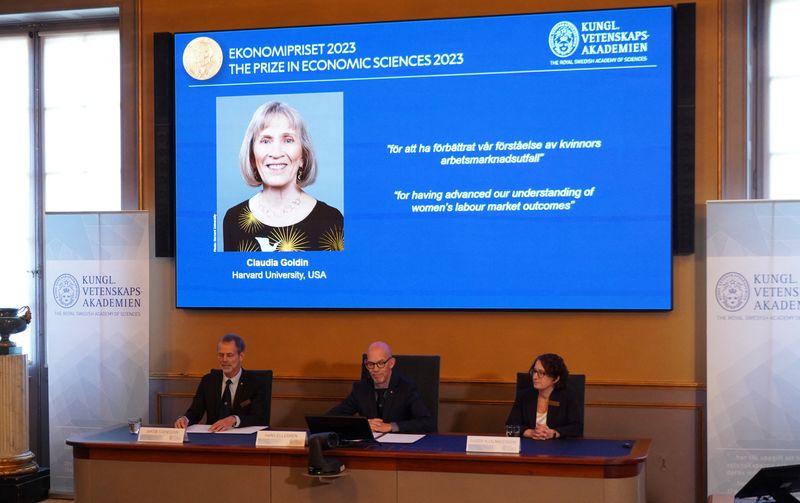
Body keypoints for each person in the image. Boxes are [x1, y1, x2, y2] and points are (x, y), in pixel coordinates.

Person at [223, 101, 344, 252]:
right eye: (266, 140)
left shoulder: (331, 220)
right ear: (252, 157)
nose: (276, 153)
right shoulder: (233, 219)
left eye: (288, 140)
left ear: (303, 157)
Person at [326, 341, 435, 433]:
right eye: (371, 364)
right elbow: (331, 418)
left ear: (391, 363)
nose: (375, 369)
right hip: (369, 449)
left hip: (400, 450)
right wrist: (362, 425)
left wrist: (391, 426)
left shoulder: (406, 387)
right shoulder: (361, 389)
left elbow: (427, 423)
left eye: (381, 363)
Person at [174, 334, 268, 432]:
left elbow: (259, 418)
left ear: (241, 356)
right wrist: (185, 419)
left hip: (242, 441)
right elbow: (195, 412)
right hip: (212, 437)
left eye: (230, 355)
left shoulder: (255, 383)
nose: (224, 360)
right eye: (221, 355)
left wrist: (234, 419)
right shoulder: (208, 381)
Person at [505, 353, 583, 440]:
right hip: (528, 447)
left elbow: (577, 427)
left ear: (555, 378)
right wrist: (531, 433)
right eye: (534, 371)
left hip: (557, 448)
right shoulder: (524, 396)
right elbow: (510, 426)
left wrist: (554, 433)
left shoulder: (568, 397)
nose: (535, 377)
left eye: (541, 373)